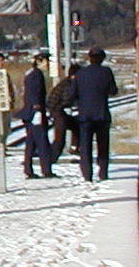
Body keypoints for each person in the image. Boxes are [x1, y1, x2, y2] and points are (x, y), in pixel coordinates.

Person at [73, 47, 120, 182]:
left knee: (85, 146)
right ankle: (103, 173)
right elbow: (113, 91)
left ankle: (87, 174)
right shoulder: (106, 72)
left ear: (89, 58)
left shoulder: (80, 74)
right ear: (102, 58)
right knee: (103, 145)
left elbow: (73, 94)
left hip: (85, 116)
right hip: (102, 115)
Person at [17, 50, 54, 177]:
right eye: (45, 61)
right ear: (39, 61)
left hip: (30, 113)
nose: (47, 64)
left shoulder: (31, 74)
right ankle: (46, 170)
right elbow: (34, 94)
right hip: (35, 113)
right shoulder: (36, 75)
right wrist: (37, 110)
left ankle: (28, 169)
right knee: (42, 142)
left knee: (31, 142)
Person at [48, 61, 80, 164]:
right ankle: (51, 159)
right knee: (60, 138)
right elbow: (67, 99)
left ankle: (75, 148)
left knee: (77, 127)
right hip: (58, 111)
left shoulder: (66, 82)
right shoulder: (69, 84)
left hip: (58, 110)